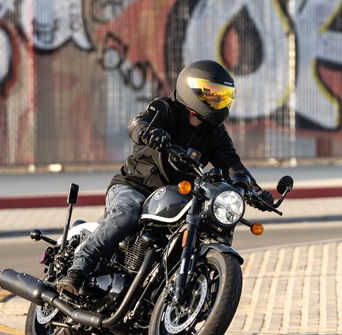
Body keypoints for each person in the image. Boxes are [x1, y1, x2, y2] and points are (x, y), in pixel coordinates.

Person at [57, 59, 274, 295]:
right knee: (127, 213)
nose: (217, 101)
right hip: (134, 187)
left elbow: (233, 163)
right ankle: (79, 269)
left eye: (222, 96)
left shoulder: (215, 132)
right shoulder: (165, 109)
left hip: (176, 197)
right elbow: (137, 124)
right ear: (191, 91)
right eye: (211, 95)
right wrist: (151, 133)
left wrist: (252, 188)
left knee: (206, 225)